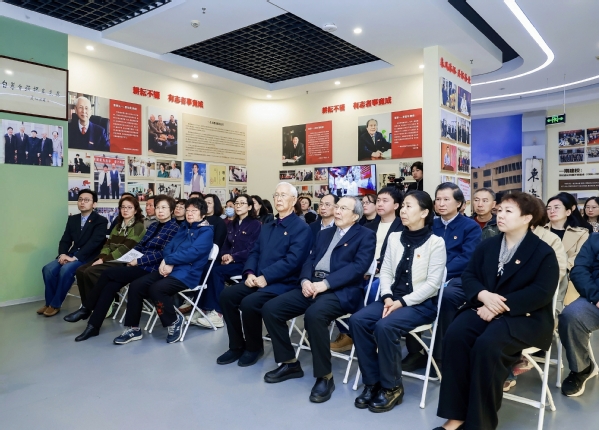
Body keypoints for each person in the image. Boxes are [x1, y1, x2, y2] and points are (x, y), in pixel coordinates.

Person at [434, 191, 559, 430]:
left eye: (508, 211)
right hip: (484, 306)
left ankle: (479, 423)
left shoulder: (542, 251)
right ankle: (456, 416)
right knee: (456, 335)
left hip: (524, 316)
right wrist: (483, 295)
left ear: (527, 218)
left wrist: (497, 306)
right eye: (499, 210)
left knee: (487, 346)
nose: (500, 215)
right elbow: (469, 275)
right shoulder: (488, 245)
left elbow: (541, 292)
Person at [262, 197, 376, 403]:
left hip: (341, 291)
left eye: (343, 208)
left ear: (355, 216)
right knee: (271, 308)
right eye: (337, 207)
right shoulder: (324, 233)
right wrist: (305, 280)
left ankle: (325, 376)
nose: (337, 211)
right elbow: (310, 259)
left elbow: (358, 267)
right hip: (312, 286)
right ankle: (289, 363)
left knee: (314, 315)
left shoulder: (366, 235)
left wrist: (327, 284)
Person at [350, 190, 446, 412]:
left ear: (424, 212)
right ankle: (372, 381)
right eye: (402, 206)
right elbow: (385, 271)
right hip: (390, 299)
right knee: (357, 321)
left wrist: (401, 302)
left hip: (420, 305)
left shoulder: (436, 243)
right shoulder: (394, 237)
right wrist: (387, 296)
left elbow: (432, 285)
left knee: (385, 327)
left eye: (409, 206)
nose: (403, 210)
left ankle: (392, 387)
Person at [216, 182, 312, 367]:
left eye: (283, 195)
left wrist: (266, 277)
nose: (279, 199)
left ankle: (253, 348)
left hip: (284, 283)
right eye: (276, 195)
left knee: (249, 303)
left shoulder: (301, 228)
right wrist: (250, 272)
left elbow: (293, 261)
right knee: (227, 296)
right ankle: (236, 345)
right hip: (259, 279)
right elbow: (254, 252)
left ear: (293, 200)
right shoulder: (268, 226)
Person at [72, 196, 179, 341]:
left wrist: (138, 261)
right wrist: (130, 258)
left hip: (153, 268)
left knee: (108, 273)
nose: (160, 211)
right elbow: (140, 246)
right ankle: (93, 326)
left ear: (171, 210)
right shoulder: (153, 226)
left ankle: (86, 308)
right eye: (158, 207)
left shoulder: (175, 228)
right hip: (139, 264)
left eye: (164, 208)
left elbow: (163, 253)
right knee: (110, 286)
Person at [403, 182, 482, 372]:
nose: (441, 203)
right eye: (438, 199)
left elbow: (467, 258)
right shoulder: (431, 224)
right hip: (428, 275)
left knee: (446, 296)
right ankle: (415, 351)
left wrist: (439, 272)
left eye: (446, 199)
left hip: (457, 278)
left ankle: (440, 355)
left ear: (459, 203)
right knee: (408, 288)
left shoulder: (470, 227)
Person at [113, 198, 214, 345]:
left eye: (194, 211)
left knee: (157, 288)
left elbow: (193, 253)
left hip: (188, 273)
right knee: (136, 285)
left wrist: (169, 261)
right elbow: (168, 247)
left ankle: (174, 321)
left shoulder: (206, 231)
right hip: (170, 268)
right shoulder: (184, 227)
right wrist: (167, 261)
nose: (190, 213)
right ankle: (133, 328)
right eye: (188, 210)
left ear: (203, 214)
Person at [331, 186, 404, 353]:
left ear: (396, 205)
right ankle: (347, 333)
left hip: (386, 274)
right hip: (363, 270)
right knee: (340, 286)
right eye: (378, 200)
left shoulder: (402, 227)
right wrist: (364, 269)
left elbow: (397, 256)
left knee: (373, 289)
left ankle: (371, 333)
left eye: (385, 201)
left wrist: (374, 267)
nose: (380, 204)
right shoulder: (368, 226)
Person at [66, 196, 146, 320]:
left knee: (90, 271)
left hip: (124, 261)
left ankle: (103, 303)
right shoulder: (118, 226)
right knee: (80, 271)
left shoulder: (138, 226)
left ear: (135, 210)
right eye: (123, 207)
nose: (125, 210)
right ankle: (87, 306)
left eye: (129, 207)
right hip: (109, 258)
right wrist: (101, 257)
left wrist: (103, 260)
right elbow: (107, 245)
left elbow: (125, 249)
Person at [191, 194, 262, 329]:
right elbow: (225, 245)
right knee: (207, 268)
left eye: (242, 203)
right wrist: (224, 255)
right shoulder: (232, 223)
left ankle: (218, 313)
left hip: (245, 263)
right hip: (230, 262)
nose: (238, 206)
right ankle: (202, 308)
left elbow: (252, 249)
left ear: (249, 207)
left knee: (217, 272)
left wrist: (233, 257)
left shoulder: (255, 225)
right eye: (236, 203)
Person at [39, 190, 108, 317]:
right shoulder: (73, 219)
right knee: (48, 269)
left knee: (65, 270)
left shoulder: (101, 221)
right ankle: (49, 303)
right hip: (71, 254)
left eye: (86, 200)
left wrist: (75, 257)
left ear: (94, 204)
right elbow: (65, 240)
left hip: (88, 257)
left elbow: (94, 243)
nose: (82, 202)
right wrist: (62, 254)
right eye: (80, 199)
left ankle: (55, 305)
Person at [559, 233, 599, 396]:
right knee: (571, 316)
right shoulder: (595, 239)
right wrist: (596, 297)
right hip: (595, 299)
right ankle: (582, 368)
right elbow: (579, 270)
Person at [546, 192, 590, 306]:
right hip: (542, 276)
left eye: (556, 207)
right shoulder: (538, 232)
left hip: (568, 277)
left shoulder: (581, 233)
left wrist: (561, 269)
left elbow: (578, 257)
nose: (552, 211)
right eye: (549, 208)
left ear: (568, 212)